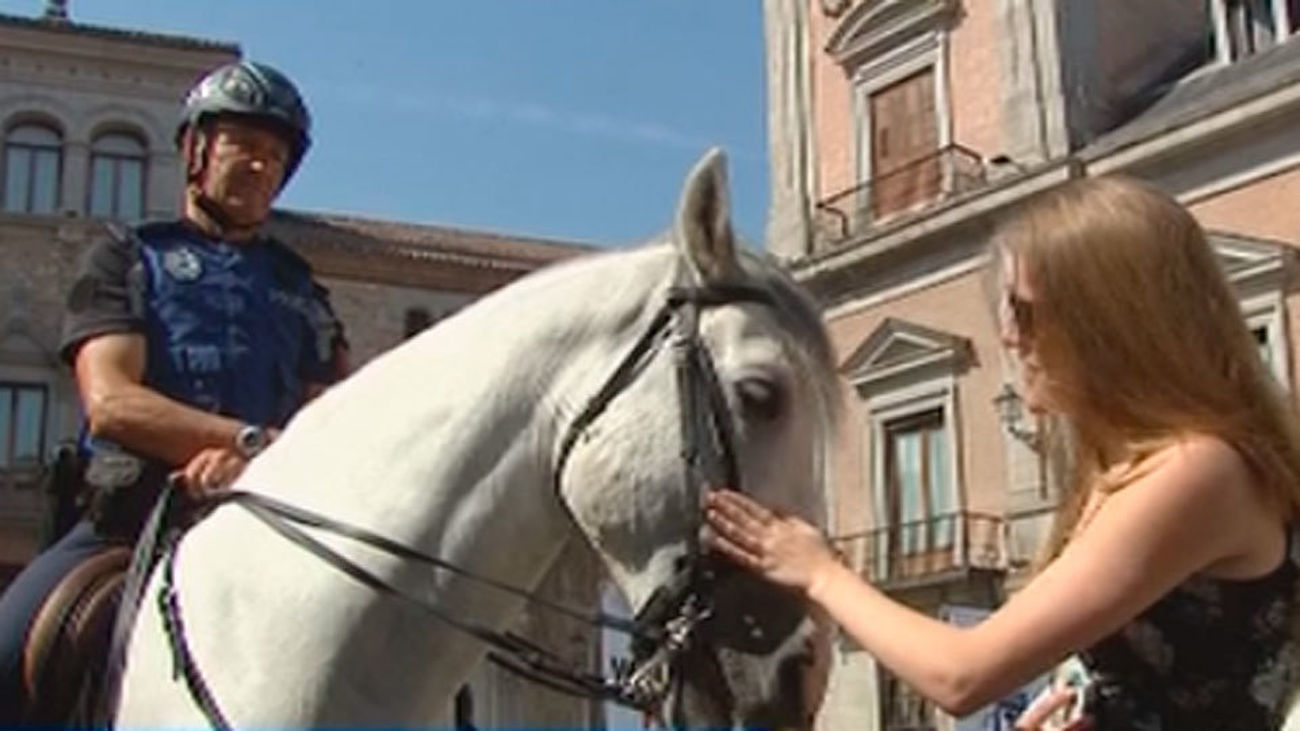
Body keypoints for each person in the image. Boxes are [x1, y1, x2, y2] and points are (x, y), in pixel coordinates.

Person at [706, 176, 1300, 730]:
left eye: (1025, 311)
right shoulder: (1132, 472)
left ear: (1113, 320)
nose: (1010, 336)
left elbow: (962, 675)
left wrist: (820, 571)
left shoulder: (1194, 469)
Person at [0, 60, 348, 722]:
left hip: (270, 520)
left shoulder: (302, 291)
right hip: (128, 523)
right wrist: (246, 441)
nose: (260, 168)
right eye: (244, 146)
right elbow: (113, 401)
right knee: (11, 650)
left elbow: (333, 415)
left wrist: (255, 466)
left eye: (276, 157)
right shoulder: (126, 258)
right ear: (195, 149)